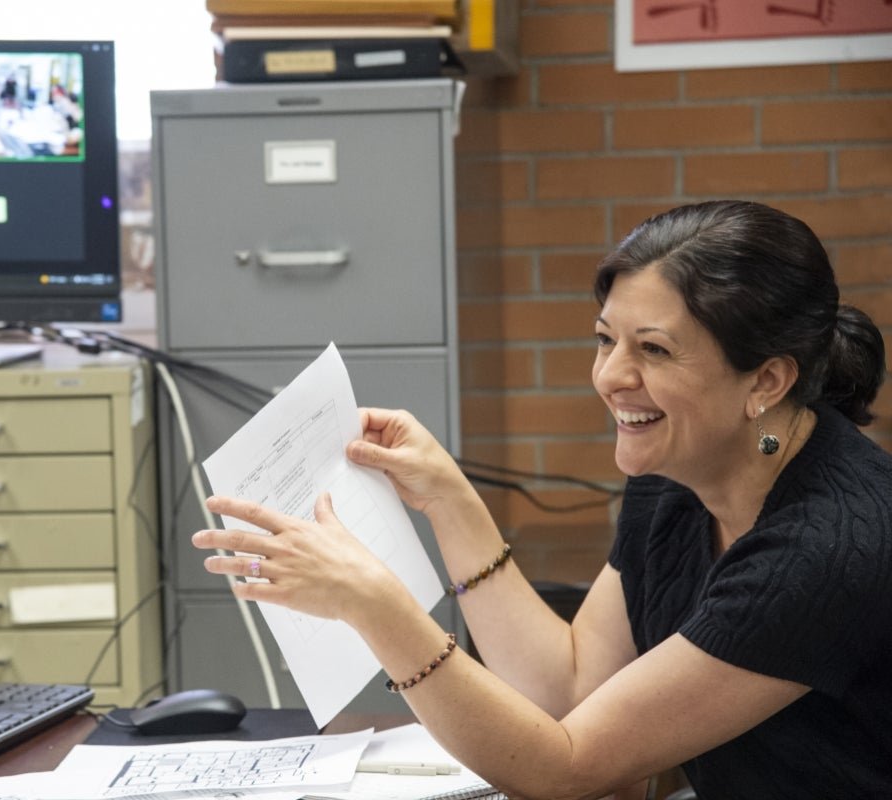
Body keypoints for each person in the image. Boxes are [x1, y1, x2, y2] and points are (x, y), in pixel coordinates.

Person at [191, 200, 891, 799]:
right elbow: (572, 689)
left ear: (766, 380)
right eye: (604, 340)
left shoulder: (824, 549)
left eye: (653, 350)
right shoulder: (679, 468)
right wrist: (450, 501)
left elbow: (564, 767)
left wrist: (378, 611)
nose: (612, 377)